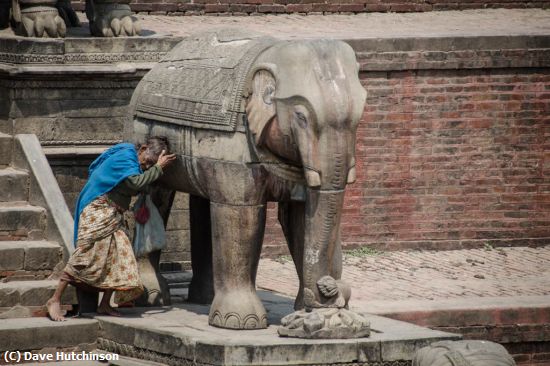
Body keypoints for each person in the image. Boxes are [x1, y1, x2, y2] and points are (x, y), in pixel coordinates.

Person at [46, 136, 176, 321]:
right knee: (85, 255)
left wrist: (151, 170)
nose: (146, 167)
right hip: (98, 210)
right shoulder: (125, 158)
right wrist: (159, 168)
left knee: (120, 256)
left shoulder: (133, 161)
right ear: (143, 148)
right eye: (147, 162)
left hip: (114, 214)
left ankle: (105, 303)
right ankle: (55, 299)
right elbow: (135, 183)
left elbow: (138, 184)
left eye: (150, 165)